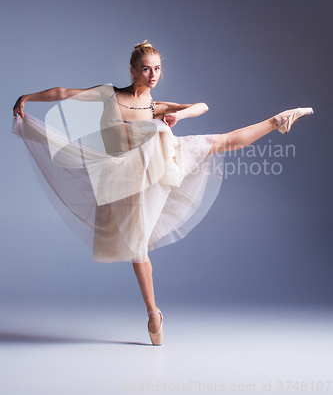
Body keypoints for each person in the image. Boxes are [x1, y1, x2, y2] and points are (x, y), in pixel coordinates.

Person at [12, 41, 313, 346]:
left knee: (216, 141)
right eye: (146, 69)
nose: (153, 74)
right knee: (136, 247)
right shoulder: (109, 96)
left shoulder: (154, 106)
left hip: (156, 164)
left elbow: (202, 106)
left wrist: (177, 117)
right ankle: (153, 312)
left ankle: (277, 121)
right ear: (132, 71)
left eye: (157, 69)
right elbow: (64, 93)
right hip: (121, 177)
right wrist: (29, 98)